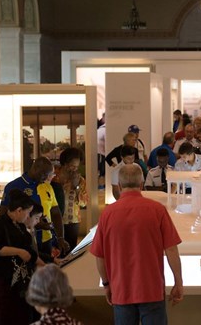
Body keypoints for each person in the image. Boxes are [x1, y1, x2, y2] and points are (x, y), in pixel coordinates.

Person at [91, 164, 184, 324]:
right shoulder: (157, 210)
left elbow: (100, 257)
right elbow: (171, 250)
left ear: (119, 186)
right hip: (151, 289)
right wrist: (178, 282)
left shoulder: (107, 214)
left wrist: (107, 284)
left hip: (121, 290)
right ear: (141, 185)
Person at [0, 188, 39, 325]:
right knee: (1, 312)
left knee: (20, 311)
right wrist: (18, 251)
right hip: (2, 274)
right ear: (19, 210)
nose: (28, 217)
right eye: (27, 213)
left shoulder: (20, 226)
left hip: (20, 277)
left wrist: (47, 262)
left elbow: (29, 251)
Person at [54, 147, 88, 251]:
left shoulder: (81, 180)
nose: (74, 169)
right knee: (57, 249)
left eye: (76, 167)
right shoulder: (54, 178)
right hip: (56, 219)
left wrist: (76, 186)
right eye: (72, 166)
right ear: (64, 163)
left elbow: (84, 203)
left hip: (73, 221)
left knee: (71, 249)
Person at [97, 113, 106, 180]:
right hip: (102, 154)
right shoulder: (104, 129)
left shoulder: (99, 129)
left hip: (99, 153)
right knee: (102, 172)